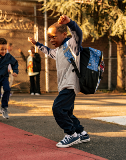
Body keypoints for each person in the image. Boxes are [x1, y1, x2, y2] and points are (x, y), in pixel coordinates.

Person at [28, 15, 90, 148]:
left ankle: (71, 134)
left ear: (64, 34)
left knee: (57, 108)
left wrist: (70, 23)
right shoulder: (59, 50)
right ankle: (82, 133)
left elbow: (78, 33)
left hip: (70, 85)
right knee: (67, 112)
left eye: (53, 37)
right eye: (49, 37)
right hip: (64, 85)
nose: (51, 40)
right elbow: (49, 52)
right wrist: (37, 44)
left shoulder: (71, 45)